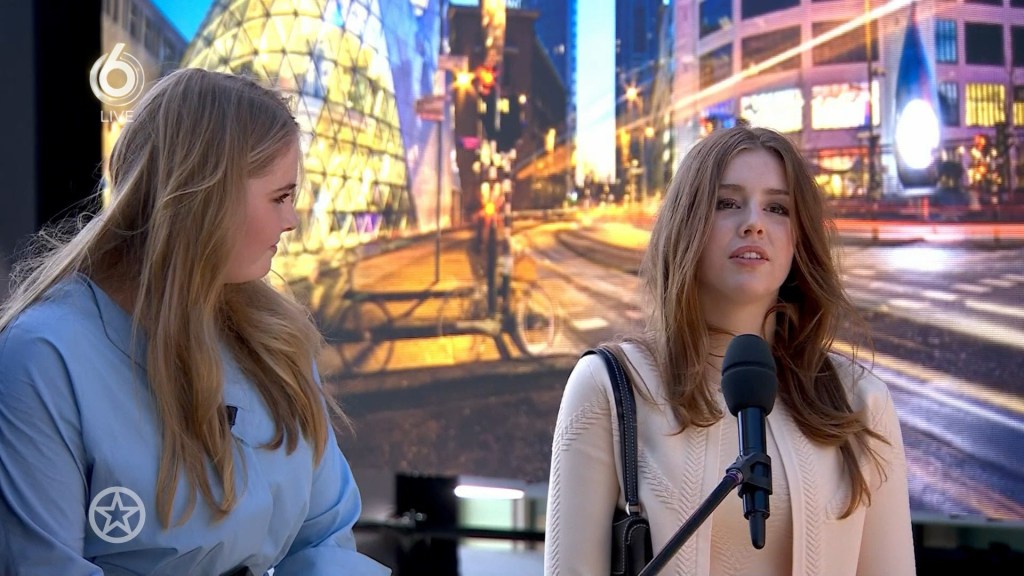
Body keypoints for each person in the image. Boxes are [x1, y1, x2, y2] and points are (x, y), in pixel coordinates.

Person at [0, 68, 389, 575]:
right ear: (206, 198)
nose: (291, 220)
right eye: (279, 197)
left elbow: (326, 538)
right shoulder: (43, 359)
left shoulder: (277, 340)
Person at [544, 125, 916, 575]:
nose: (754, 223)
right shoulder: (609, 387)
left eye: (777, 208)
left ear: (799, 238)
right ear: (687, 223)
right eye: (727, 203)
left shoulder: (862, 402)